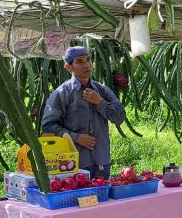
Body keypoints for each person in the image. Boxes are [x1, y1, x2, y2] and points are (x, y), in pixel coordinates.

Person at [41, 46, 126, 179]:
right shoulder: (61, 94)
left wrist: (100, 102)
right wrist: (76, 138)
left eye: (88, 59)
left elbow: (120, 117)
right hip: (73, 164)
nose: (86, 65)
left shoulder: (102, 90)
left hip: (102, 161)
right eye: (79, 61)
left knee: (102, 192)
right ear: (68, 67)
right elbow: (48, 126)